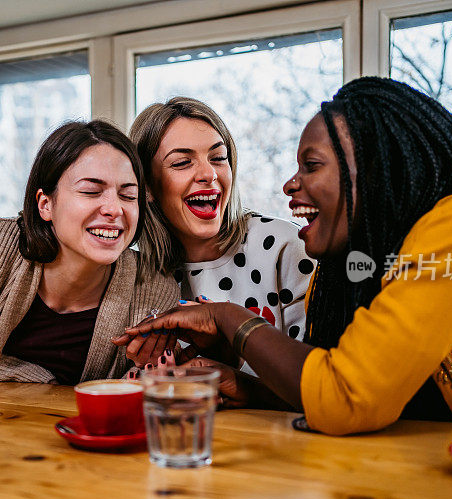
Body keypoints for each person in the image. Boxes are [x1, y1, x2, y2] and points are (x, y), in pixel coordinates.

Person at [114, 77, 452, 435]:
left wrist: (230, 319)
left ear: (373, 170)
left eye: (311, 166)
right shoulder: (356, 265)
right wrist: (245, 382)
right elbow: (333, 381)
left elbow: (344, 399)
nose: (289, 185)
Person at [0, 120, 179, 384]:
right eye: (91, 191)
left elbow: (138, 387)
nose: (114, 209)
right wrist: (18, 374)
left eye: (128, 196)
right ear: (46, 205)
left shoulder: (154, 287)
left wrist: (150, 377)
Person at [129, 97, 315, 372]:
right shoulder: (137, 273)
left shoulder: (285, 246)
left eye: (218, 158)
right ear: (147, 187)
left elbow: (313, 378)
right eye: (182, 162)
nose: (209, 174)